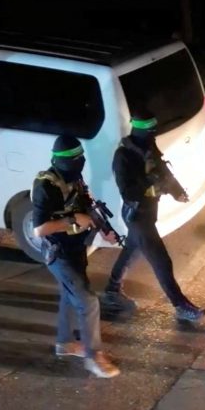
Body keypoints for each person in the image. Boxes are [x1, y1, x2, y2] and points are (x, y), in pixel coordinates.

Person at [101, 113, 205, 322]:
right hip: (138, 217)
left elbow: (163, 170)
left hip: (148, 213)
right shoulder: (123, 156)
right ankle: (181, 305)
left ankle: (112, 289)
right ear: (140, 131)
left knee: (131, 249)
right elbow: (127, 191)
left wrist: (176, 191)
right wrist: (152, 186)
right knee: (161, 261)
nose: (153, 136)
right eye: (150, 132)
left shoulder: (148, 148)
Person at [32, 135, 121, 378]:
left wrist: (105, 229)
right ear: (59, 160)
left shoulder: (75, 178)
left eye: (81, 158)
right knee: (88, 300)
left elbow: (88, 207)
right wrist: (72, 221)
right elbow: (39, 229)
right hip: (58, 253)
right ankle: (94, 357)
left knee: (70, 296)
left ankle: (65, 343)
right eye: (73, 160)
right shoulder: (46, 185)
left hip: (76, 248)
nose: (79, 163)